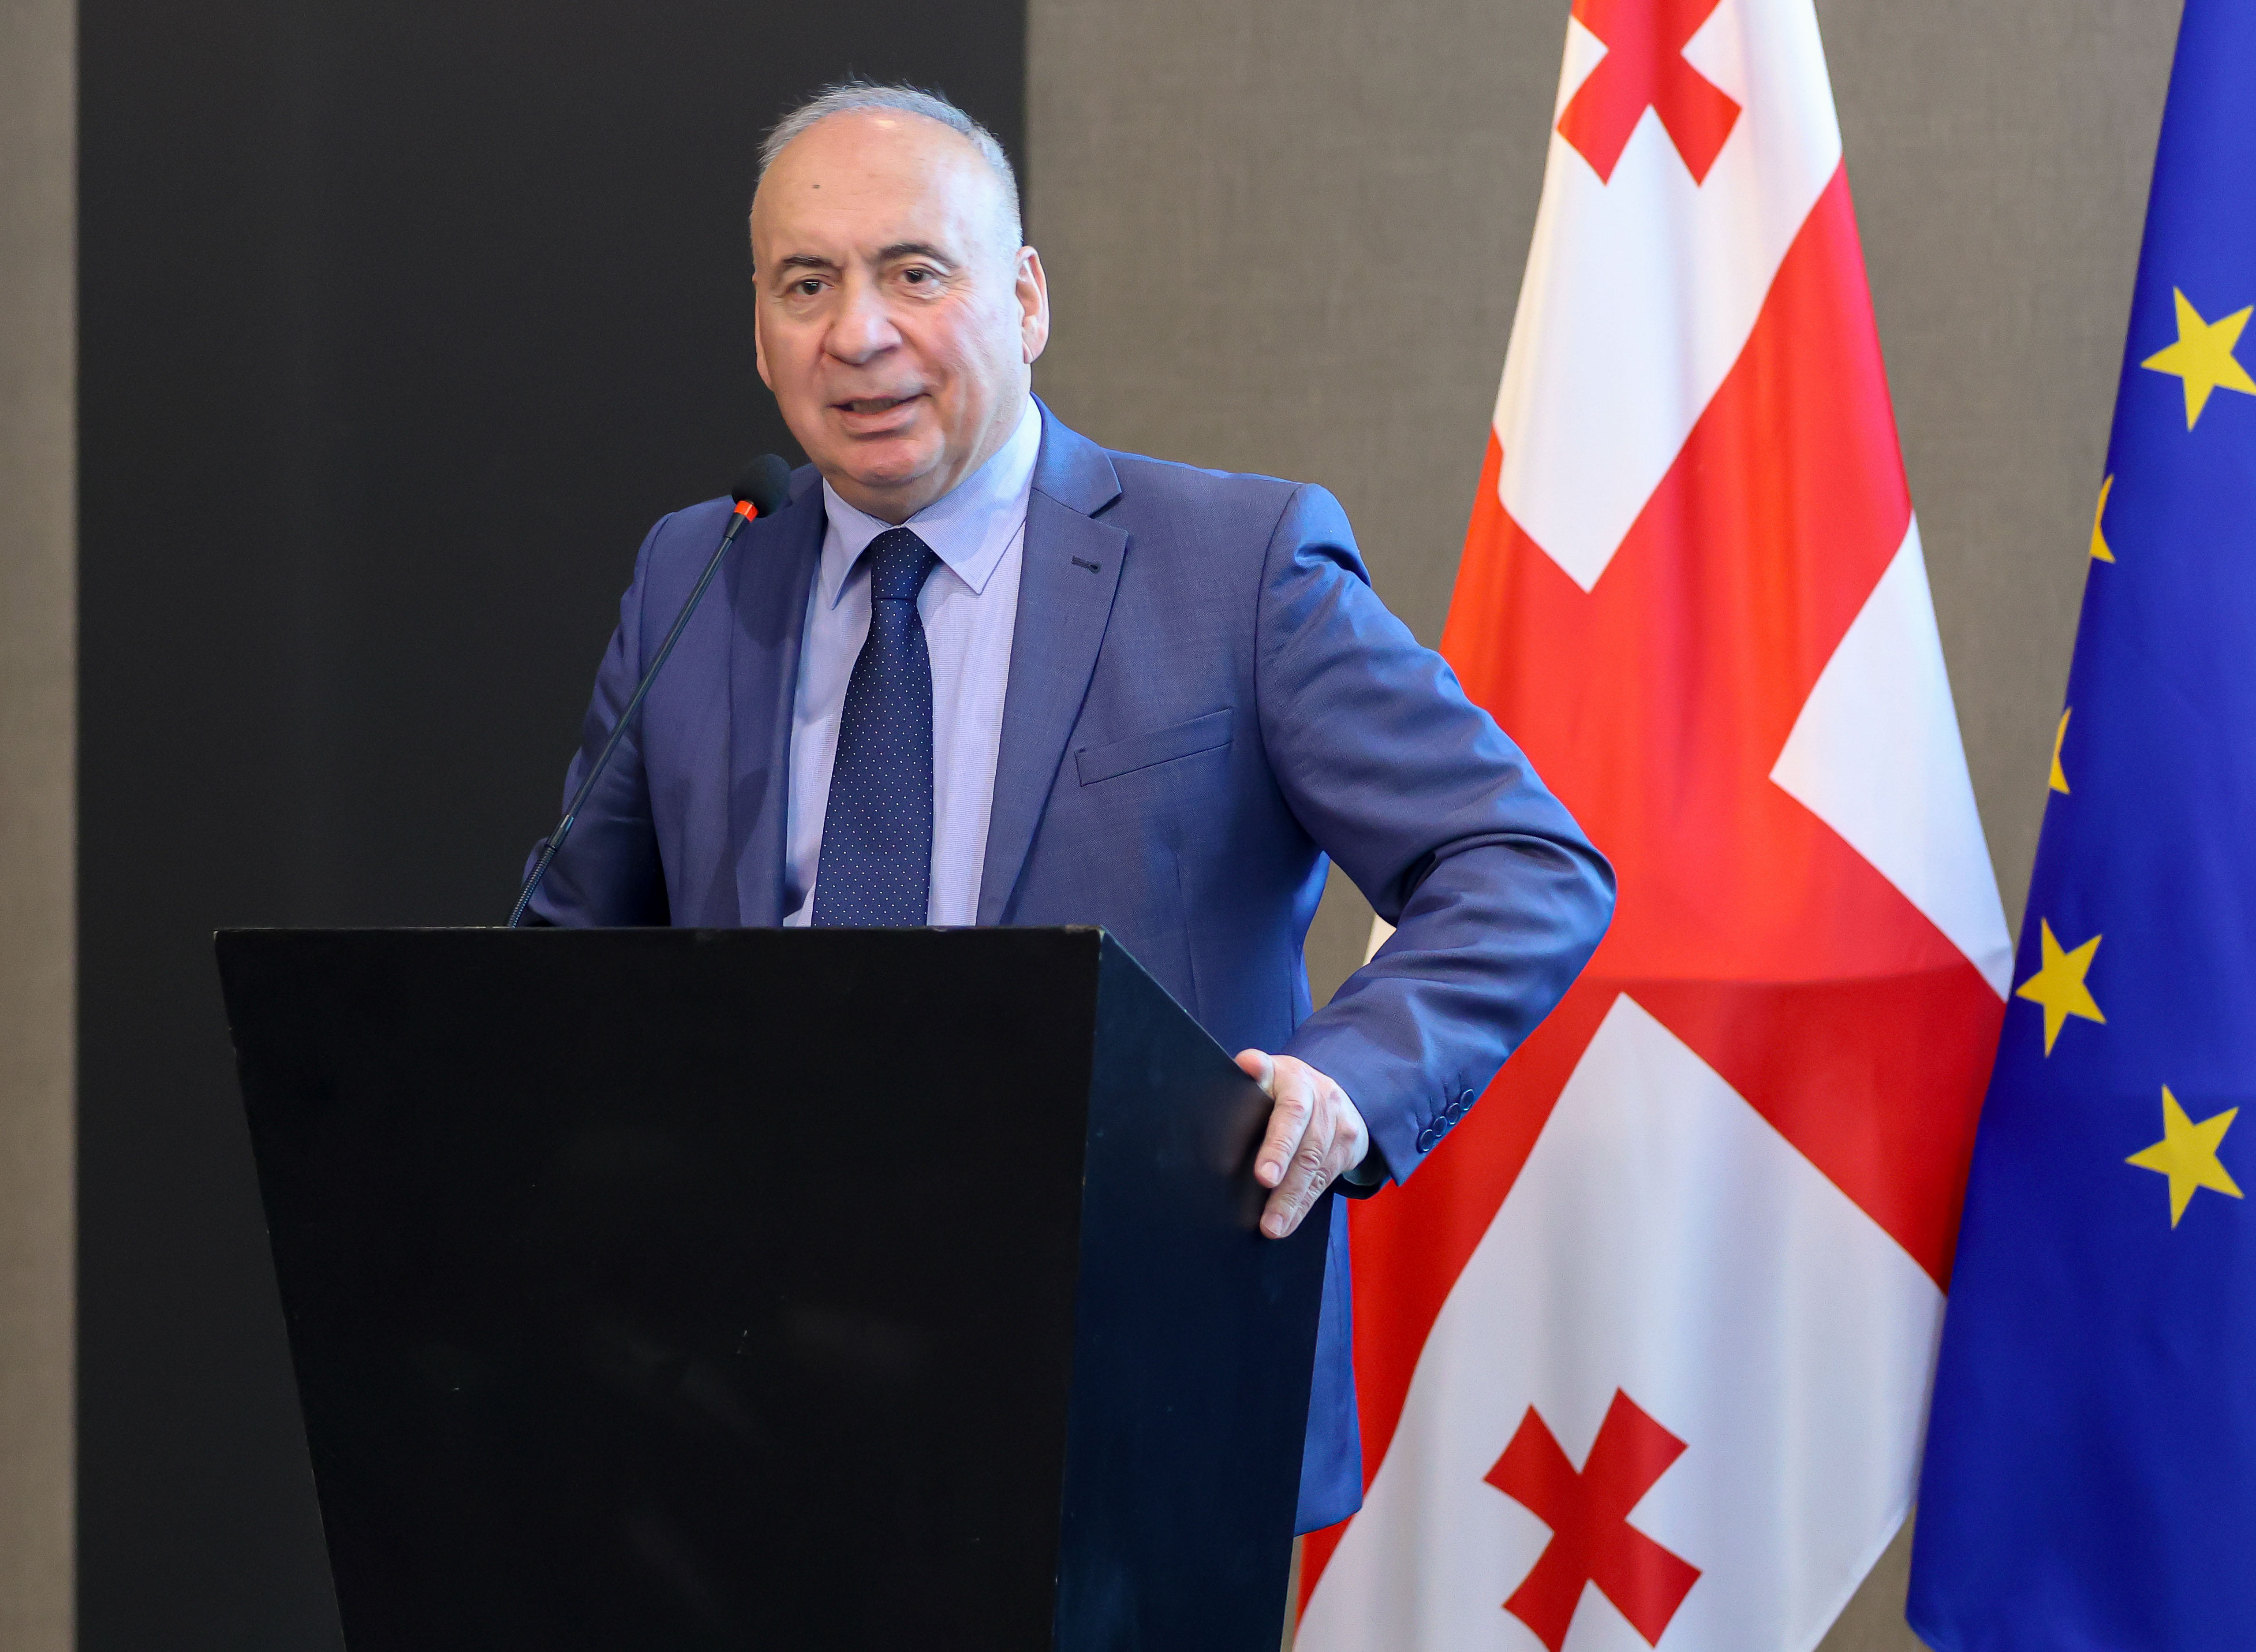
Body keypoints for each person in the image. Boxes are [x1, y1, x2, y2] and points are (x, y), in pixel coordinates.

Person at [517, 81, 1614, 1530]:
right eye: (807, 284)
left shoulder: (1235, 567)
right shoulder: (699, 571)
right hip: (750, 1392)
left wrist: (1343, 1088)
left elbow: (1524, 862)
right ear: (762, 330)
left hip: (1134, 1380)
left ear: (1027, 299)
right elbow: (562, 969)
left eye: (918, 272)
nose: (860, 334)